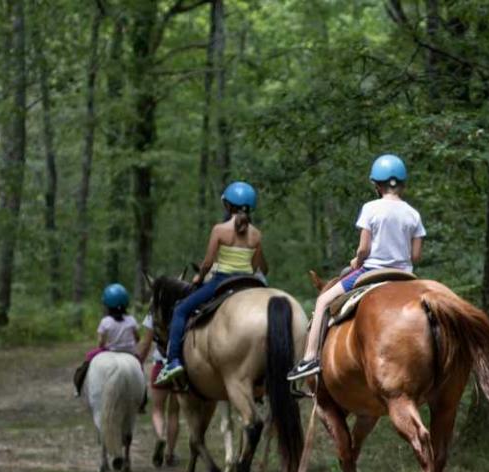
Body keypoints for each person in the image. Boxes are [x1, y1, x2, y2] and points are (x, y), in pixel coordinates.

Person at [287, 154, 425, 381]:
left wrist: (357, 262)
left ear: (376, 185)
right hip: (405, 276)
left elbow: (363, 249)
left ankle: (309, 359)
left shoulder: (371, 208)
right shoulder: (413, 214)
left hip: (371, 271)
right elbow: (416, 256)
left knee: (322, 302)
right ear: (402, 184)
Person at [155, 181, 268, 385]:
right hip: (248, 283)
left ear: (227, 205)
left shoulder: (219, 230)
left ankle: (172, 361)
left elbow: (207, 262)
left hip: (222, 281)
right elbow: (258, 268)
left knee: (181, 310)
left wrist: (199, 276)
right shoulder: (256, 235)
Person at [74, 283, 139, 395]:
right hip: (130, 352)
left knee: (88, 357)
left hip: (111, 350)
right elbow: (137, 338)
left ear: (107, 305)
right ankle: (143, 395)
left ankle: (78, 386)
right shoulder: (131, 320)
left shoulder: (105, 321)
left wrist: (102, 346)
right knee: (139, 367)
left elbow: (101, 342)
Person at [140, 312, 180, 467]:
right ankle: (170, 453)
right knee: (174, 412)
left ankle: (160, 436)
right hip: (178, 365)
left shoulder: (154, 313)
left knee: (157, 409)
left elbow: (146, 343)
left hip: (160, 364)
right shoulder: (183, 309)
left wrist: (139, 361)